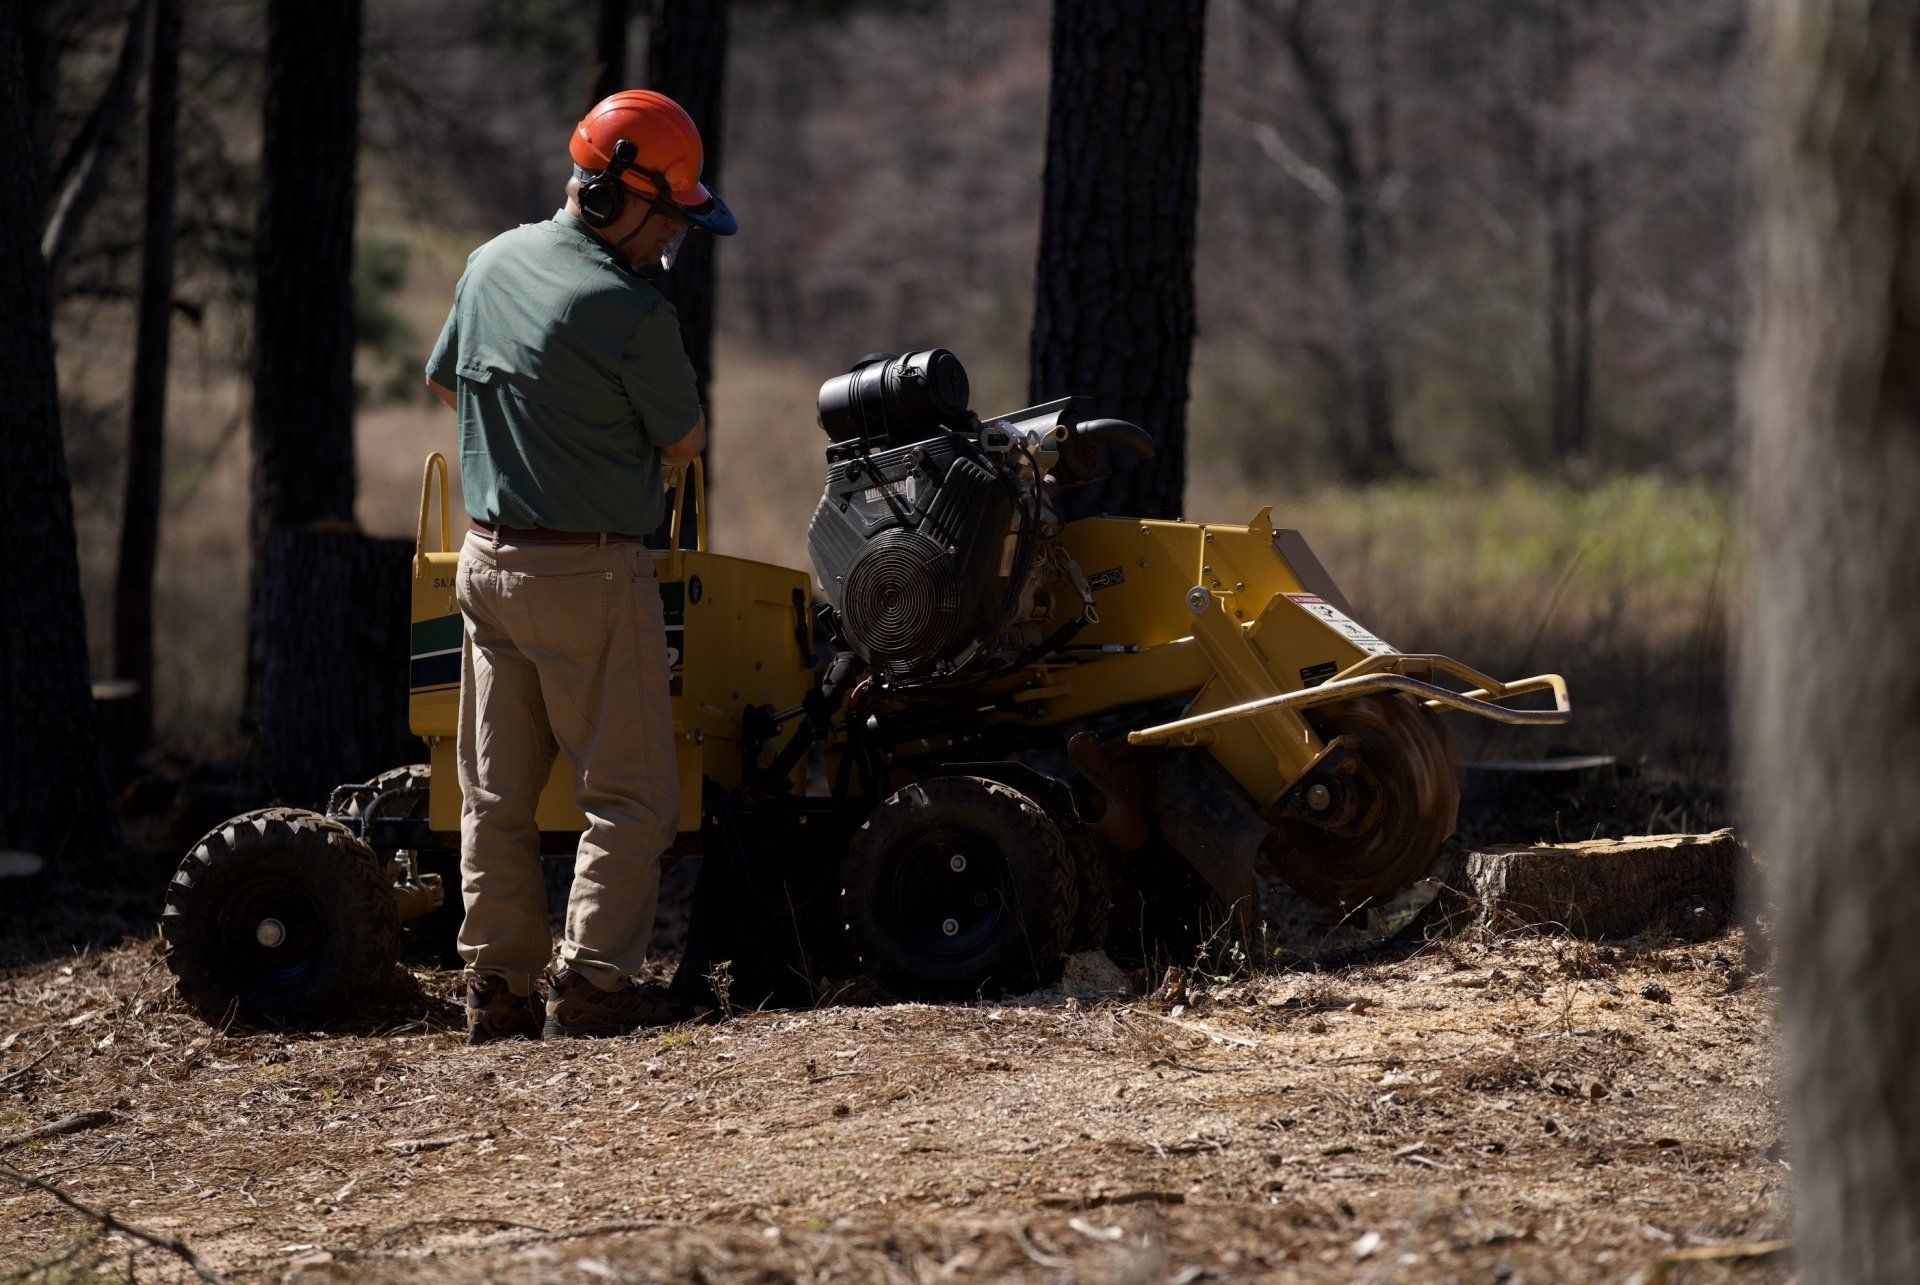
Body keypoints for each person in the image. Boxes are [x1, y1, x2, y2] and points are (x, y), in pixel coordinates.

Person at [424, 90, 737, 1043]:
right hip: (589, 576)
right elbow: (684, 440)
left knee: (495, 793)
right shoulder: (630, 311)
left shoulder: (488, 263)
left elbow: (446, 381)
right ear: (612, 198)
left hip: (485, 564)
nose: (673, 238)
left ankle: (499, 984)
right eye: (668, 216)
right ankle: (595, 982)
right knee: (633, 795)